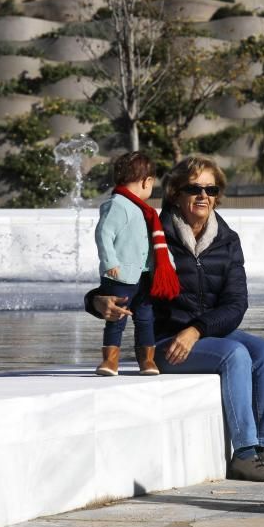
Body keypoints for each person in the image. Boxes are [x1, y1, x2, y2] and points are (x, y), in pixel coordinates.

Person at [85, 156, 264, 483]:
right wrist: (96, 302)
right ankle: (245, 454)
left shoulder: (227, 239)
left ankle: (262, 449)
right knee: (235, 355)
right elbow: (120, 281)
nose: (203, 195)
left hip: (204, 335)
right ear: (175, 194)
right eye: (193, 188)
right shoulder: (153, 231)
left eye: (211, 189)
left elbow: (236, 303)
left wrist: (197, 330)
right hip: (165, 340)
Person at [93, 151, 165, 377]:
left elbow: (150, 244)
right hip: (120, 275)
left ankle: (147, 361)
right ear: (147, 181)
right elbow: (103, 233)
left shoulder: (142, 210)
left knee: (145, 319)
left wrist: (166, 264)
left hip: (142, 275)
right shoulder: (118, 204)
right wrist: (110, 261)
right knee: (117, 318)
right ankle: (110, 361)